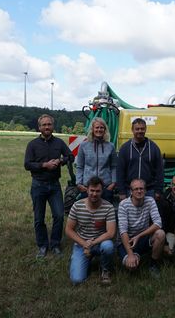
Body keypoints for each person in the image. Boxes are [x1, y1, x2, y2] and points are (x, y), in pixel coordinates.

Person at [24, 114, 74, 258]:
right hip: (38, 185)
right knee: (39, 218)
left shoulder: (59, 143)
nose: (47, 127)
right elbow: (27, 164)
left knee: (59, 216)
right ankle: (42, 245)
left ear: (53, 126)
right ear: (39, 127)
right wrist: (44, 165)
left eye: (49, 124)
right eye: (44, 125)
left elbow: (70, 156)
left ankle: (55, 244)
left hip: (54, 186)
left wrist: (61, 161)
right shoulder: (32, 144)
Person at [65, 177, 116, 285]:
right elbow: (69, 230)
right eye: (92, 190)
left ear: (102, 191)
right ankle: (80, 260)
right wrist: (85, 244)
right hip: (81, 244)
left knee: (108, 246)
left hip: (100, 243)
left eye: (98, 191)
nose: (94, 194)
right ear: (87, 190)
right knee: (76, 280)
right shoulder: (77, 206)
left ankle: (105, 269)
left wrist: (92, 243)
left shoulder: (108, 207)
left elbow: (111, 233)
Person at [117, 178, 165, 277]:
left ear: (145, 190)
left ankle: (153, 264)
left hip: (142, 239)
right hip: (127, 241)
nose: (139, 191)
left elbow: (158, 223)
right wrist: (130, 254)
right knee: (132, 267)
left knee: (160, 234)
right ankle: (133, 255)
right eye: (136, 189)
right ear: (131, 191)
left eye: (141, 188)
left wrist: (139, 236)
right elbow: (123, 231)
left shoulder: (150, 201)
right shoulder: (123, 205)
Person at [117, 118, 164, 200]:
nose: (140, 131)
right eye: (137, 129)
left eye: (142, 129)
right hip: (130, 190)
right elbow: (120, 171)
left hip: (149, 190)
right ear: (132, 130)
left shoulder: (154, 148)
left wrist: (158, 190)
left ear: (145, 129)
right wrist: (121, 191)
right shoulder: (125, 148)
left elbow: (160, 171)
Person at [76, 118, 117, 203]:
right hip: (87, 187)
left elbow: (114, 166)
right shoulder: (83, 146)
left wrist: (113, 183)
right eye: (97, 127)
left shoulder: (110, 146)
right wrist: (79, 183)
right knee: (86, 213)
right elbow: (80, 166)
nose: (99, 130)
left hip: (105, 187)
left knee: (105, 213)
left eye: (101, 127)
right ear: (92, 129)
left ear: (105, 130)